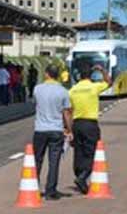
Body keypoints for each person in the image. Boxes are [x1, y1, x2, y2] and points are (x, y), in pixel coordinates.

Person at [33, 64, 74, 200]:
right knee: (54, 161)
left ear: (46, 74)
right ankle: (50, 191)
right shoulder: (63, 91)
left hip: (40, 129)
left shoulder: (37, 89)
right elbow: (67, 113)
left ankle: (33, 187)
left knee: (37, 160)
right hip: (56, 129)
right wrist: (69, 129)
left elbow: (36, 104)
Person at [69, 66, 112, 194]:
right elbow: (109, 82)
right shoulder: (94, 87)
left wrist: (68, 128)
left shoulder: (73, 90)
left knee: (79, 151)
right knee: (93, 152)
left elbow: (69, 110)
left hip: (76, 123)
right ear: (90, 77)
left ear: (79, 77)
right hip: (90, 124)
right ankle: (83, 177)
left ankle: (79, 175)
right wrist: (102, 70)